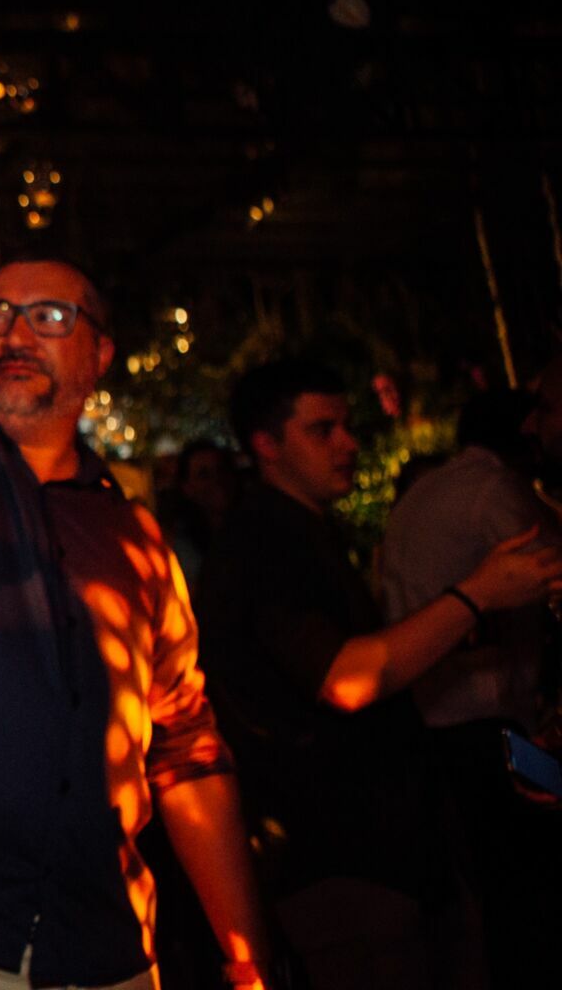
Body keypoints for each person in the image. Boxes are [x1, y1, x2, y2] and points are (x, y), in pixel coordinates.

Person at [0, 261, 273, 990]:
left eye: (50, 317)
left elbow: (185, 746)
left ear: (101, 353)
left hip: (109, 944)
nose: (16, 334)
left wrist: (245, 958)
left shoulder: (135, 542)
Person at [198, 359, 562, 990]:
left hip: (385, 848)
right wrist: (479, 591)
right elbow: (345, 678)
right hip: (340, 858)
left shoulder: (304, 530)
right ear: (266, 444)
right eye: (322, 430)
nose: (348, 443)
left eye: (347, 426)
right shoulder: (264, 540)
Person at [381, 383, 562, 985]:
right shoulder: (497, 491)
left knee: (492, 884)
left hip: (436, 715)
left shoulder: (423, 493)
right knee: (528, 879)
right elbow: (547, 568)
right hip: (494, 716)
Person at [159, 439, 237, 589]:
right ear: (187, 487)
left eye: (221, 470)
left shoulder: (252, 532)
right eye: (204, 475)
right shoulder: (179, 548)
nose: (217, 480)